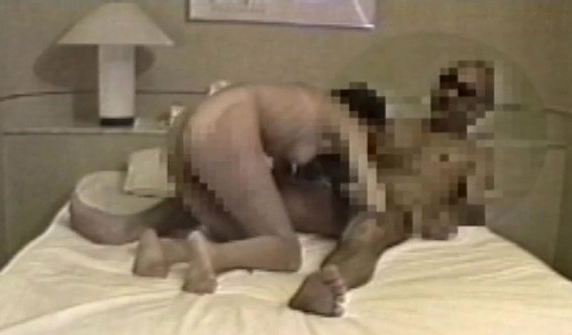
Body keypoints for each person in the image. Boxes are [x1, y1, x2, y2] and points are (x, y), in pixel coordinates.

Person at [133, 61, 495, 317]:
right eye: (447, 82)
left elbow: (473, 214)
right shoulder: (394, 126)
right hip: (341, 198)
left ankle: (326, 284)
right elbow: (340, 153)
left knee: (368, 231)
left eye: (463, 90)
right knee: (251, 201)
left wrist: (442, 216)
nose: (450, 93)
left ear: (481, 108)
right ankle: (162, 245)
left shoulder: (473, 156)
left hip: (394, 212)